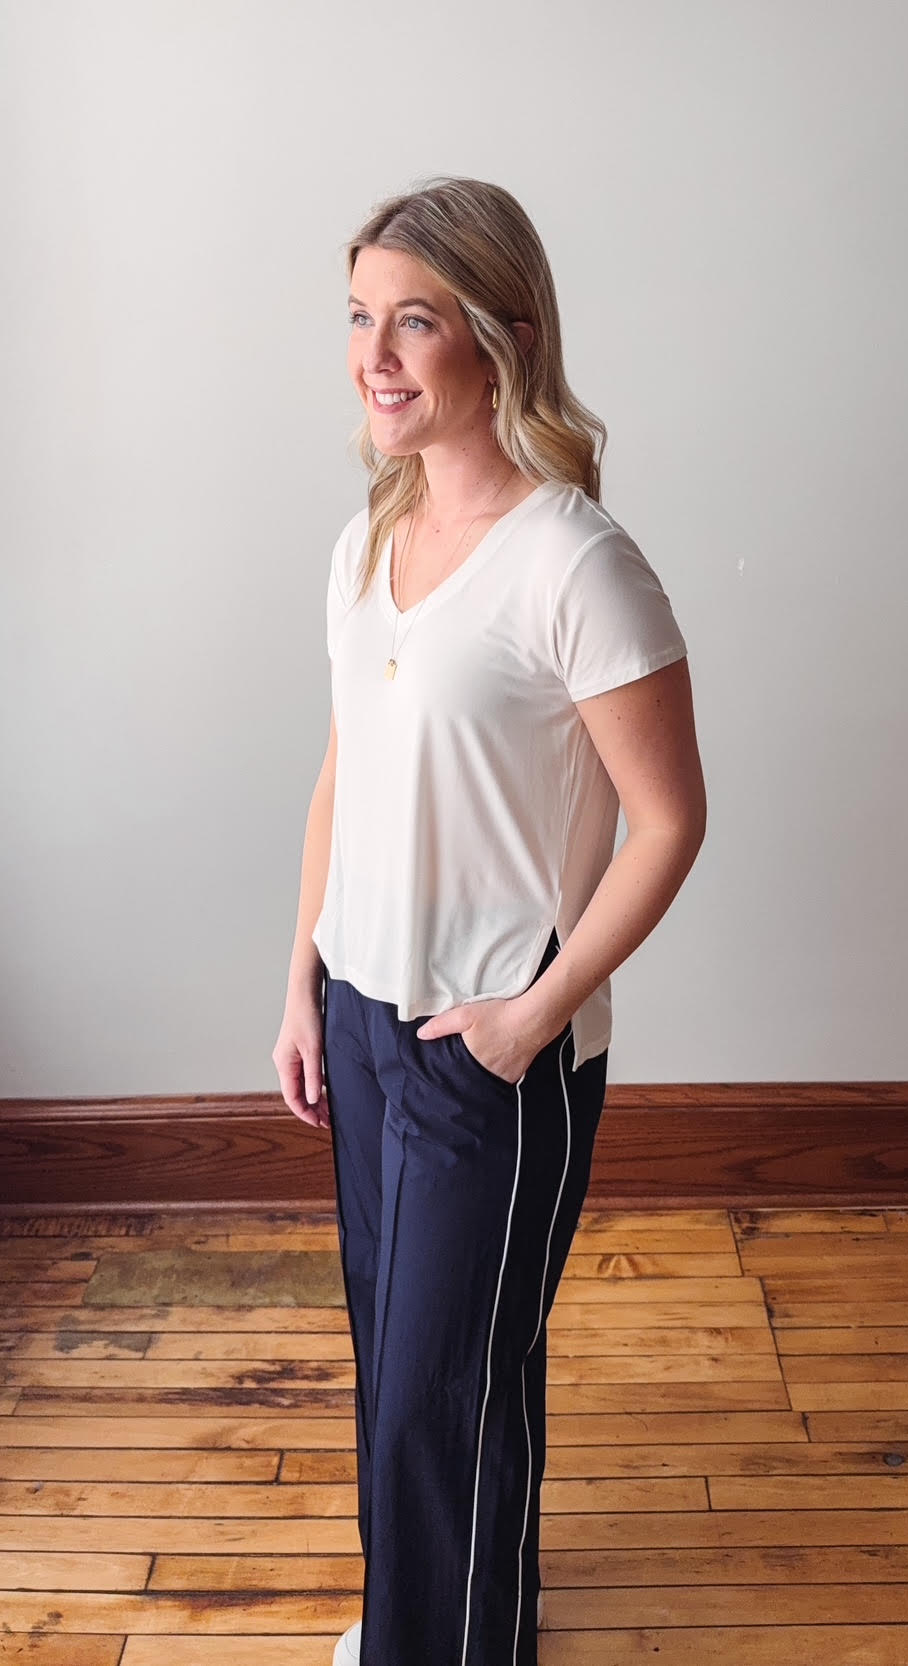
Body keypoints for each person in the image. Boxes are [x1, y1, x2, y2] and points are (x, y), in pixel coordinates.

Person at [273, 175, 707, 1666]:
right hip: (363, 1014)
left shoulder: (576, 562)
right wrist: (301, 973)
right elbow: (346, 763)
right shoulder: (367, 547)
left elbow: (671, 822)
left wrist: (534, 1014)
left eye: (415, 321)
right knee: (405, 1366)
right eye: (357, 318)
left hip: (489, 1041)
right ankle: (447, 1627)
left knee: (439, 1390)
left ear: (505, 338)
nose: (373, 355)